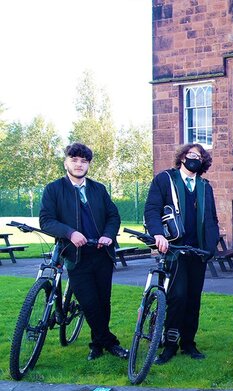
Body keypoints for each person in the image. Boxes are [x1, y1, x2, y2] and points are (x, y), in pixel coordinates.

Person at [39, 143, 128, 361]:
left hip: (101, 253)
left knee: (103, 302)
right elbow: (46, 221)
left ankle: (97, 344)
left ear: (88, 164)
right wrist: (69, 233)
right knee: (88, 302)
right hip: (75, 255)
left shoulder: (99, 189)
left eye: (84, 161)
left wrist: (108, 234)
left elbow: (113, 216)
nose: (79, 164)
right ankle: (110, 342)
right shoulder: (54, 189)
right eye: (75, 160)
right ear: (66, 162)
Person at [144, 143, 220, 364]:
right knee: (177, 297)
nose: (194, 158)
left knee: (193, 299)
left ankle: (189, 343)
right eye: (190, 154)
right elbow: (151, 209)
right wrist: (157, 234)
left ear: (203, 161)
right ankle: (169, 345)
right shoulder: (164, 179)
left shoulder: (205, 187)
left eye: (199, 156)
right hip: (174, 249)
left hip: (198, 251)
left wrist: (211, 245)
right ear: (182, 157)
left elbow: (212, 218)